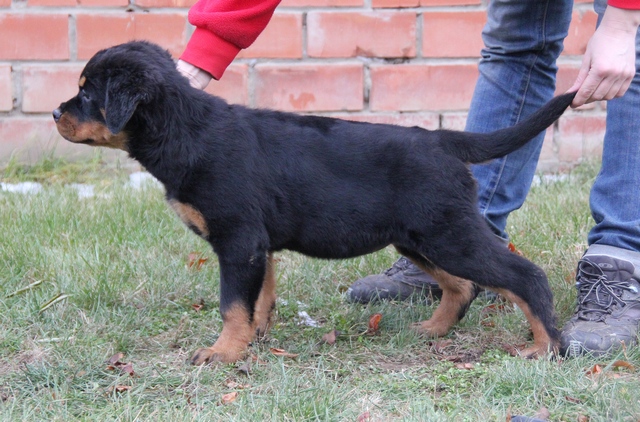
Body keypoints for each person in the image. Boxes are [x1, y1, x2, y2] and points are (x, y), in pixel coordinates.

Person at [177, 0, 640, 357]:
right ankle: (459, 266)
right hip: (422, 175)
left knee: (626, 60)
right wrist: (200, 59)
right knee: (515, 44)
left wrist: (622, 18)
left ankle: (617, 254)